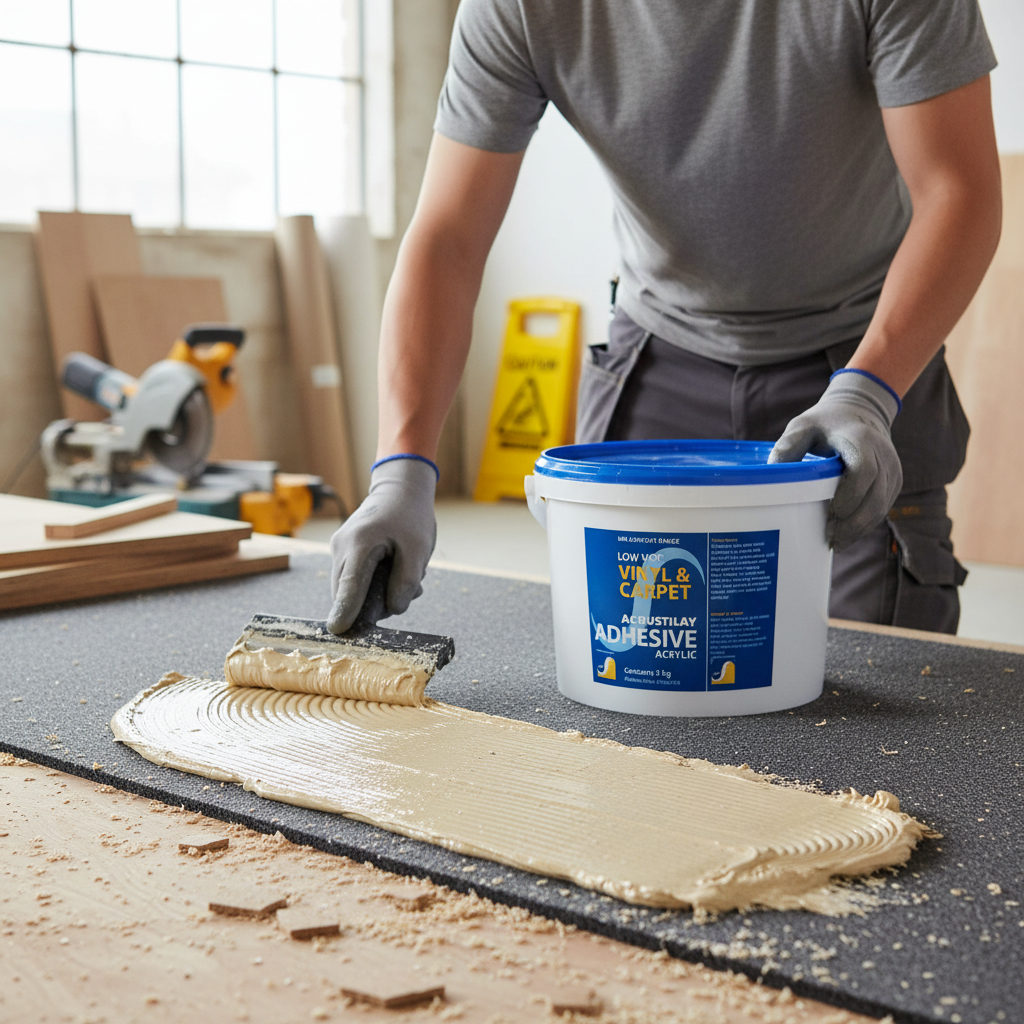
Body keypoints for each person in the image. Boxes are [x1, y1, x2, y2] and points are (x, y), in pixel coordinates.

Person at [327, 0, 1002, 638]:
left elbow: (958, 193)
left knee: (877, 687)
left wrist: (868, 391)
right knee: (629, 667)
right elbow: (448, 237)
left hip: (859, 361)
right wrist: (402, 468)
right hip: (660, 357)